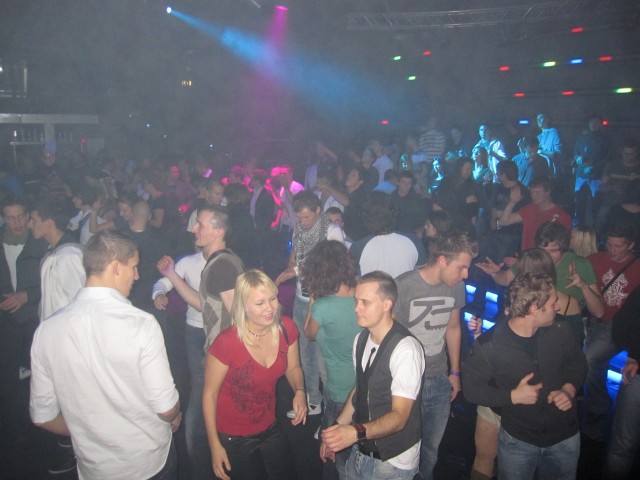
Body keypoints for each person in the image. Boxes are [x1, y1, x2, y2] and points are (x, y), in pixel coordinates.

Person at [29, 230, 181, 480]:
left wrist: (89, 431)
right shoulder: (140, 324)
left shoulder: (47, 330)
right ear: (115, 267)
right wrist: (176, 413)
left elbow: (42, 416)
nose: (137, 276)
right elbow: (166, 408)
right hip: (147, 462)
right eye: (133, 267)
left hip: (94, 468)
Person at [462, 272, 587, 480]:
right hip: (518, 440)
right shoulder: (489, 345)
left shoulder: (560, 328)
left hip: (564, 436)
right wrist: (512, 396)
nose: (558, 307)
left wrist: (569, 388)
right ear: (534, 309)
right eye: (553, 303)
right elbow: (471, 390)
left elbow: (577, 361)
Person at [157, 204, 244, 479]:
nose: (194, 228)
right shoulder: (218, 263)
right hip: (219, 352)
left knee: (199, 418)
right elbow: (203, 305)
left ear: (218, 231)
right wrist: (172, 275)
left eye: (201, 224)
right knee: (211, 412)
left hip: (223, 355)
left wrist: (226, 359)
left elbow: (239, 319)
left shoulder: (222, 267)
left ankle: (206, 471)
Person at [203, 270, 307, 480]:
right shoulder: (227, 342)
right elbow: (209, 395)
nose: (270, 308)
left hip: (269, 424)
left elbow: (293, 368)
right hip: (233, 435)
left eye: (272, 299)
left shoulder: (286, 328)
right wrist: (214, 445)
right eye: (260, 303)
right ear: (243, 306)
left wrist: (299, 391)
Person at [321, 271, 425, 480]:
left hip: (393, 461)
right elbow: (360, 390)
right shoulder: (361, 339)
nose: (356, 308)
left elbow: (400, 417)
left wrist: (355, 432)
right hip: (361, 450)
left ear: (386, 305)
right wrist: (336, 430)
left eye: (365, 302)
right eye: (356, 301)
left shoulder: (406, 350)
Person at [393, 232, 478, 479]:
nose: (466, 275)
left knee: (430, 451)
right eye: (461, 267)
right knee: (405, 449)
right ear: (442, 260)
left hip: (439, 378)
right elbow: (389, 335)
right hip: (408, 381)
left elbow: (453, 328)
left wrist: (455, 372)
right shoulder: (404, 285)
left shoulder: (456, 286)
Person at [276, 191, 346, 417]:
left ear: (318, 210)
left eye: (307, 217)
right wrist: (290, 267)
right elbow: (294, 257)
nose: (303, 221)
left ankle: (333, 412)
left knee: (323, 357)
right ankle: (313, 401)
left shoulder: (331, 231)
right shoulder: (298, 229)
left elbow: (331, 266)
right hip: (301, 297)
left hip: (324, 300)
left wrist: (296, 271)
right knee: (304, 352)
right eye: (300, 217)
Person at [478, 222, 604, 345]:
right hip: (532, 329)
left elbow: (599, 312)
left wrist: (583, 286)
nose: (546, 255)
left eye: (552, 250)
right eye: (542, 250)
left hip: (563, 331)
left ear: (564, 248)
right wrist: (495, 273)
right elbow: (505, 279)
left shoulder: (580, 264)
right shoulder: (533, 259)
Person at [300, 240, 362, 480]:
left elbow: (309, 333)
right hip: (366, 386)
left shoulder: (323, 307)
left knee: (337, 458)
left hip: (340, 392)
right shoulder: (363, 294)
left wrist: (314, 297)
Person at [583, 223, 640, 442]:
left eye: (618, 246)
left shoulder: (637, 266)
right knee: (594, 365)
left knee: (589, 360)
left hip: (619, 327)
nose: (612, 250)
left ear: (631, 245)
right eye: (609, 244)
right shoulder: (595, 259)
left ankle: (598, 408)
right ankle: (597, 406)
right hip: (596, 321)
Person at [0, 195, 47, 443]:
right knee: (9, 379)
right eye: (11, 218)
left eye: (20, 216)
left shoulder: (40, 243)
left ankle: (40, 430)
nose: (17, 222)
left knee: (36, 378)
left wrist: (27, 295)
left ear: (28, 216)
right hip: (6, 321)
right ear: (3, 219)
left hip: (33, 319)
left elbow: (53, 282)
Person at [29, 197, 85, 322]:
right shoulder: (54, 251)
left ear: (49, 223)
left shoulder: (68, 255)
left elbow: (77, 300)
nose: (29, 225)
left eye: (33, 220)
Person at [606, 285, 640, 479]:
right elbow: (621, 323)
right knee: (624, 444)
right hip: (637, 378)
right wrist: (634, 354)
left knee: (623, 444)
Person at [350, 191, 426, 278]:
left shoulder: (358, 247)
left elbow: (353, 279)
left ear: (366, 216)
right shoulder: (413, 241)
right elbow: (424, 277)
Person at [499, 175, 571, 251]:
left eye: (537, 192)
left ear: (548, 191)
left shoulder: (561, 216)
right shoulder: (529, 209)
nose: (534, 195)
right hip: (528, 255)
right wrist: (512, 202)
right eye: (531, 192)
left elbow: (564, 245)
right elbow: (503, 222)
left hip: (546, 257)